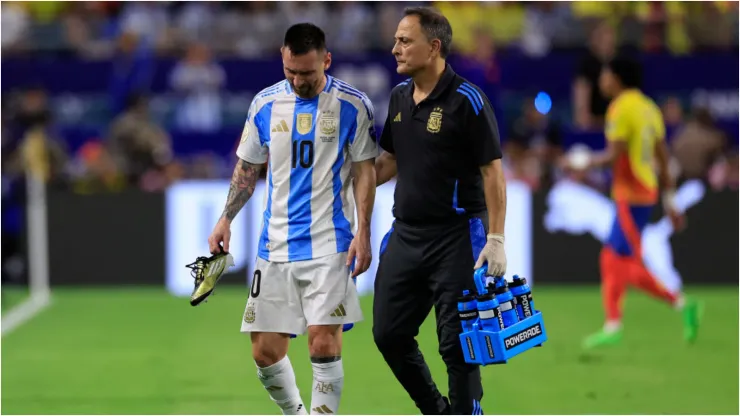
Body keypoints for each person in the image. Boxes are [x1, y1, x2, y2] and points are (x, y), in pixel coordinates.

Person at [207, 23, 378, 415]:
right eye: (291, 72)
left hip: (331, 243)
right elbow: (247, 168)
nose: (299, 80)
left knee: (323, 343)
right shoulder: (264, 104)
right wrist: (225, 219)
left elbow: (366, 170)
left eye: (308, 72)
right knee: (265, 352)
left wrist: (364, 232)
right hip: (275, 246)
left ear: (327, 60)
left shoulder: (352, 105)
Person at [372, 7, 507, 415]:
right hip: (407, 234)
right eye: (396, 40)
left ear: (433, 47)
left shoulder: (468, 100)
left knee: (458, 344)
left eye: (404, 40)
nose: (395, 48)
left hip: (457, 236)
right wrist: (345, 181)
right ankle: (436, 409)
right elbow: (390, 161)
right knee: (388, 334)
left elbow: (493, 174)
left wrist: (497, 239)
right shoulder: (398, 98)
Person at [564, 57, 702, 349]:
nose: (601, 79)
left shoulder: (620, 108)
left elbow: (614, 156)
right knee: (613, 259)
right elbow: (663, 160)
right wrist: (671, 202)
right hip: (646, 193)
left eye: (604, 73)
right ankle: (618, 321)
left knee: (625, 264)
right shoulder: (650, 108)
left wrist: (583, 161)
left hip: (631, 195)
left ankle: (674, 304)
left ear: (616, 77)